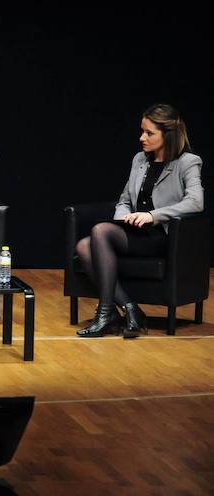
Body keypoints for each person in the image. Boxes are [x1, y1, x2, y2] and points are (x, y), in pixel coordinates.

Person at [75, 104, 204, 337]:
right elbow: (124, 199)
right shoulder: (140, 160)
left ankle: (106, 313)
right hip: (134, 232)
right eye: (142, 131)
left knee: (99, 232)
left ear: (168, 134)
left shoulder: (188, 162)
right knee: (83, 246)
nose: (142, 137)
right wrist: (123, 218)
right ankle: (129, 308)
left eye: (149, 133)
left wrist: (152, 216)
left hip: (161, 234)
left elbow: (196, 202)